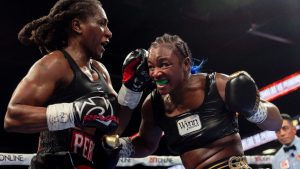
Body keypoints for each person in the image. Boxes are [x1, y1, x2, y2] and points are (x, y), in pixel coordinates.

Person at [4, 0, 150, 168]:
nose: (109, 33)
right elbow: (13, 118)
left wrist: (132, 88)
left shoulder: (100, 70)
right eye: (102, 24)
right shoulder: (55, 63)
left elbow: (114, 126)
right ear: (77, 26)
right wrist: (75, 112)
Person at [114, 33, 283, 169]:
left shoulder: (217, 85)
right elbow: (146, 144)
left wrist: (254, 110)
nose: (156, 73)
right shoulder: (152, 105)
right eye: (151, 67)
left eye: (164, 64)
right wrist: (117, 146)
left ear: (186, 64)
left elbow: (276, 123)